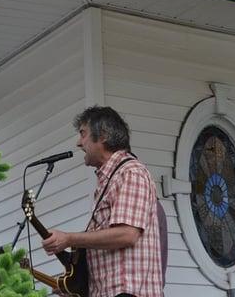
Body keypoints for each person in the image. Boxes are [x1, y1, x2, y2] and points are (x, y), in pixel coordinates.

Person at [42, 106, 164, 297]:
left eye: (83, 134)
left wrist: (69, 238)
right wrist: (78, 287)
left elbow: (127, 234)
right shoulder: (110, 179)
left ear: (104, 135)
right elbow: (106, 256)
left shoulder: (131, 172)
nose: (78, 143)